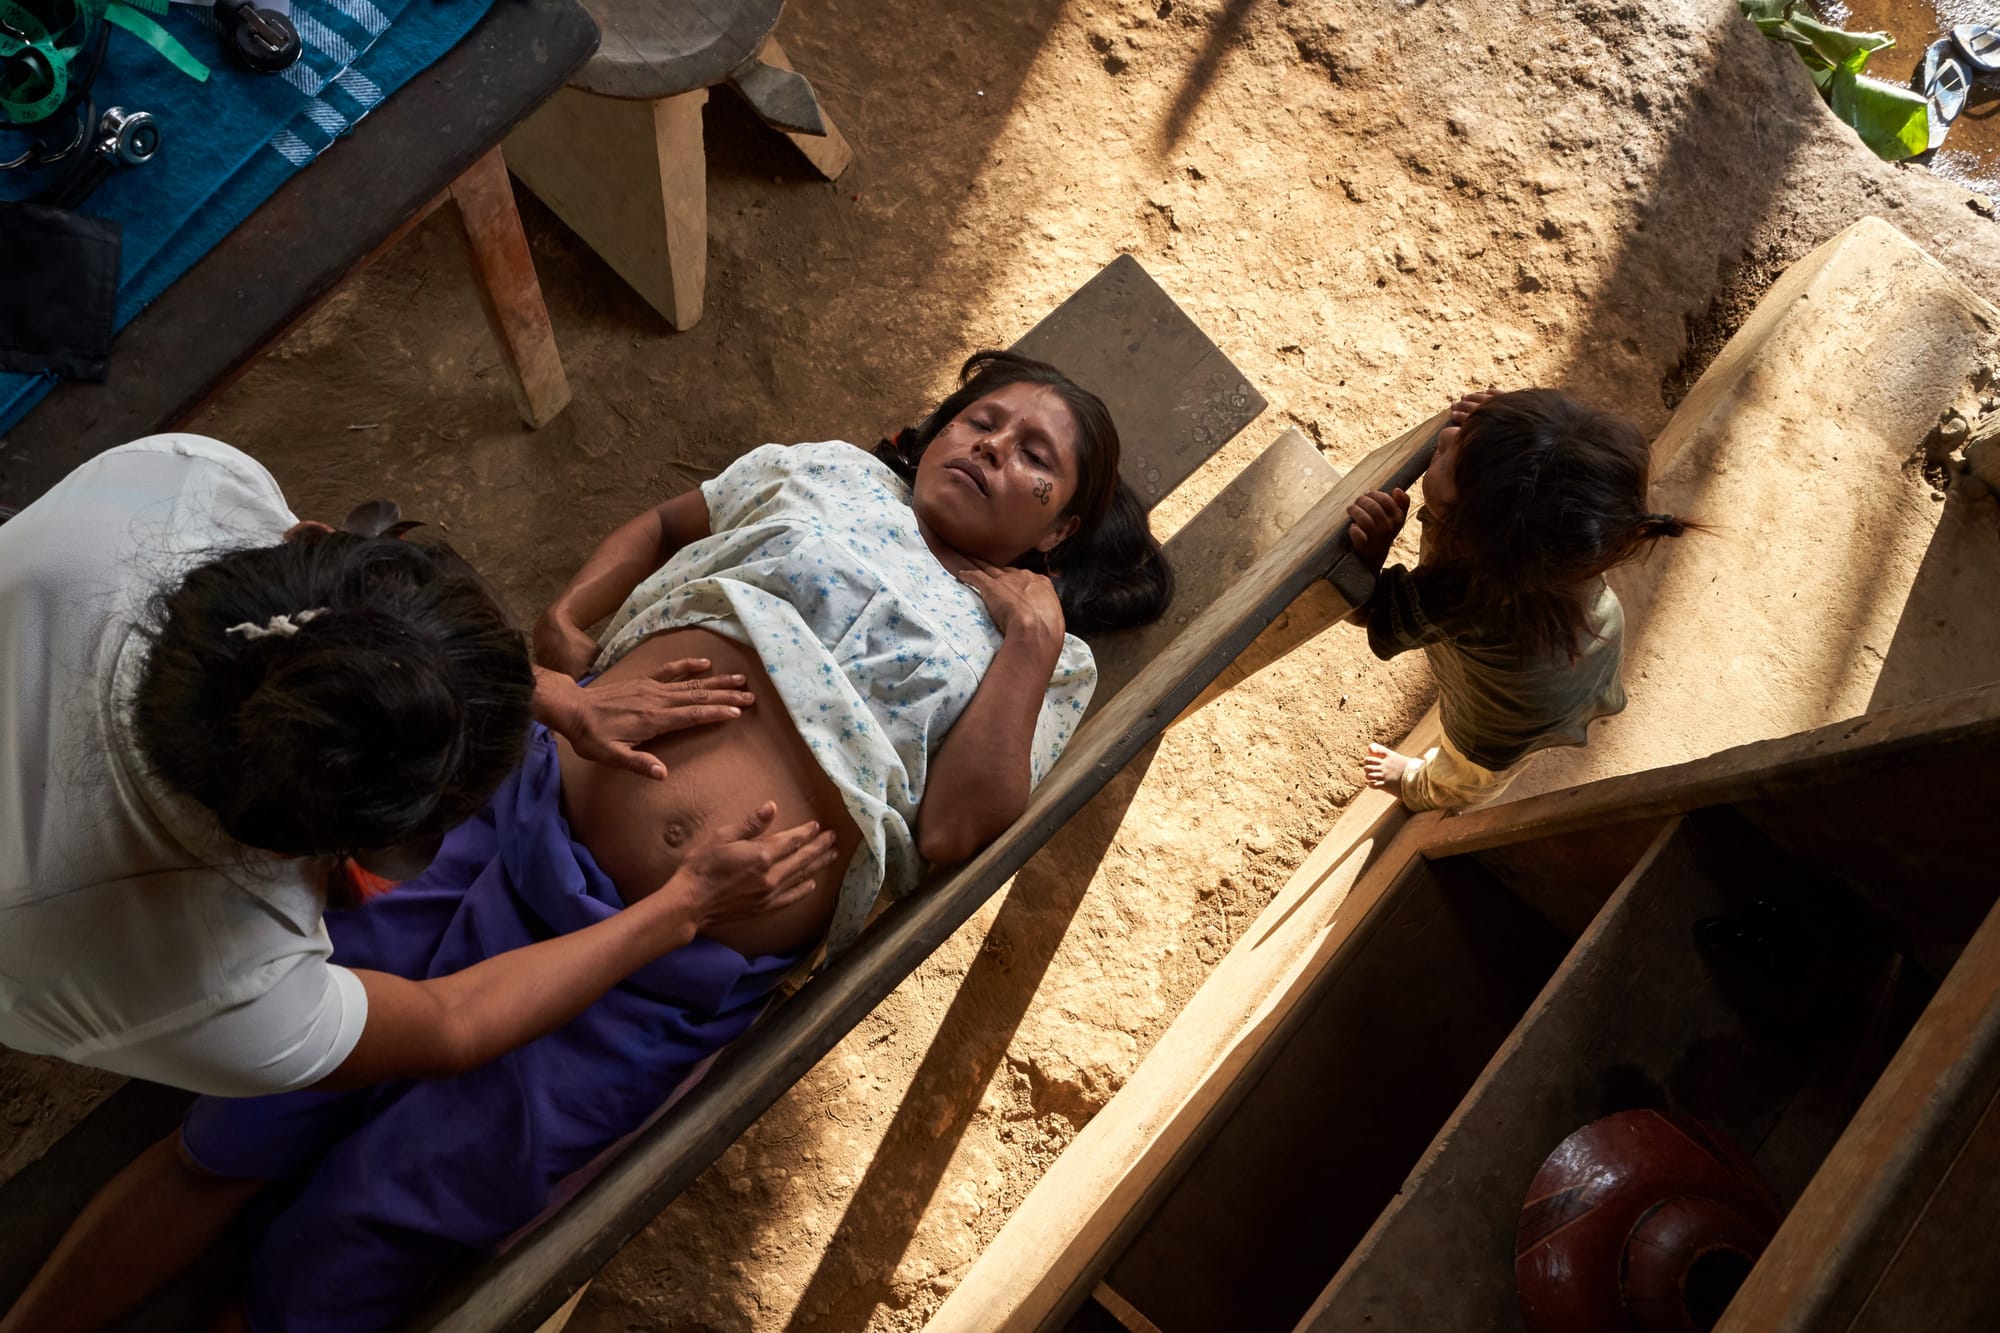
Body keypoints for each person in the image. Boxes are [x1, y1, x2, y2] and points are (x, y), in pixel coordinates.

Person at [5, 352, 1173, 1332]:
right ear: (931, 430)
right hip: (507, 825)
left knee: (368, 1227)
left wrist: (1030, 643)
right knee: (229, 1139)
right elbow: (670, 523)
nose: (992, 448)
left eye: (1034, 456)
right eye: (982, 420)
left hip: (664, 979)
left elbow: (956, 829)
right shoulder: (828, 473)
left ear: (1060, 526)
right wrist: (568, 621)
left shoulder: (1035, 651)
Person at [1344, 389, 1694, 811]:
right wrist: (1510, 432)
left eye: (1450, 462)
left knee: (1468, 773)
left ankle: (1421, 784)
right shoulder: (1561, 537)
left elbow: (1374, 614)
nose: (1447, 437)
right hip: (1587, 656)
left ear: (1473, 528)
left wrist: (1368, 559)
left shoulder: (1467, 593)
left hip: (1504, 722)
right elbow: (1549, 476)